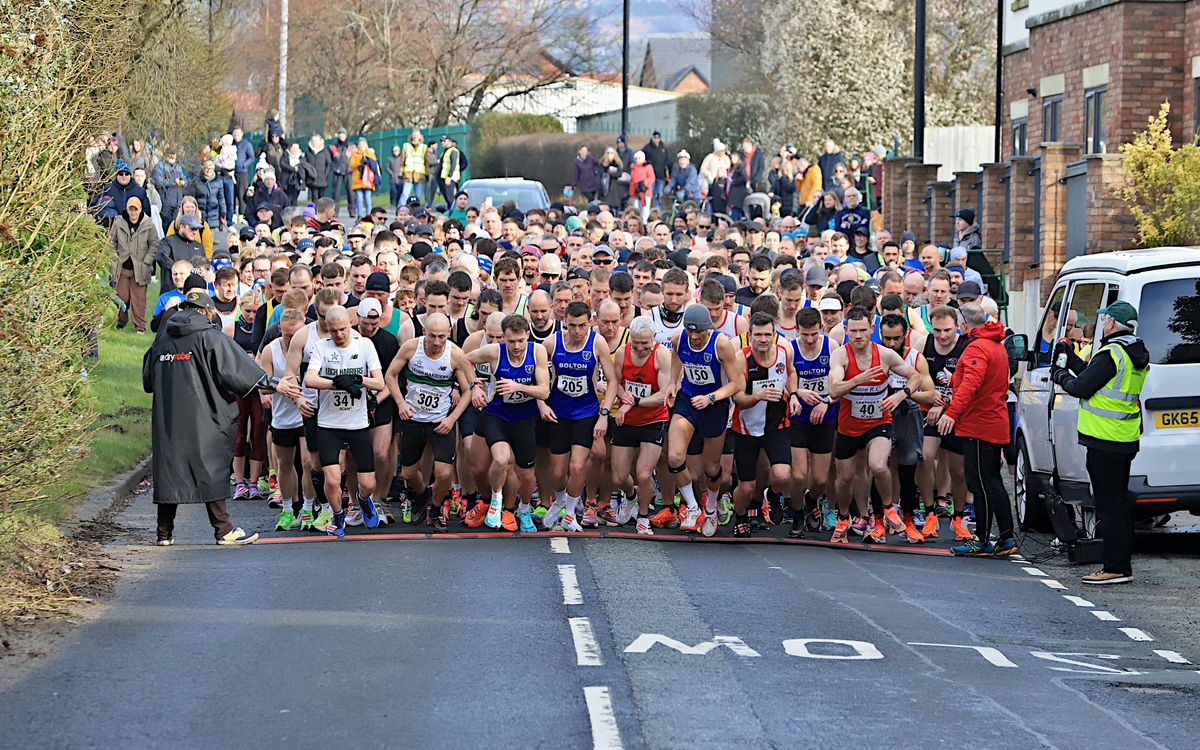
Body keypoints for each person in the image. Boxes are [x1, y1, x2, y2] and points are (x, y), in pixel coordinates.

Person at [142, 290, 300, 545]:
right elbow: (238, 371)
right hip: (206, 415)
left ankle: (164, 533)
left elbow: (148, 381)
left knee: (170, 471)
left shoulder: (161, 341)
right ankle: (224, 530)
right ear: (207, 312)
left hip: (168, 419)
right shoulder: (210, 338)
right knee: (210, 467)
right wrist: (272, 383)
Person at [1050, 301, 1149, 583]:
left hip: (1104, 440)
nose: (1102, 324)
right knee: (1117, 503)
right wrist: (1071, 360)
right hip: (1123, 438)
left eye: (1104, 319)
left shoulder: (1112, 353)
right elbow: (1097, 377)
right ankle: (1119, 564)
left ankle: (1115, 568)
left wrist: (1059, 374)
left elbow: (1082, 387)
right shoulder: (1132, 350)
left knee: (1110, 506)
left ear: (1110, 324)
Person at [827, 307, 922, 544]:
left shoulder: (885, 355)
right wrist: (859, 379)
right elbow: (834, 390)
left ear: (872, 329)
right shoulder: (841, 355)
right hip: (849, 427)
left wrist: (902, 395)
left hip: (879, 422)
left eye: (863, 331)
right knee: (844, 478)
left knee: (878, 466)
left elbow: (916, 376)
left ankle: (889, 509)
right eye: (853, 331)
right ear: (846, 331)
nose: (858, 336)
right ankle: (843, 516)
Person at [936, 303, 1019, 557]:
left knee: (981, 482)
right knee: (990, 481)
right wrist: (953, 379)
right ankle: (1002, 538)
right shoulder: (993, 344)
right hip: (989, 420)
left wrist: (951, 412)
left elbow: (971, 385)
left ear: (963, 324)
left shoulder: (978, 347)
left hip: (980, 424)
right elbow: (982, 382)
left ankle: (988, 539)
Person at [304, 305, 386, 538]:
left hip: (357, 424)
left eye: (342, 329)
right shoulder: (322, 347)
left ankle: (363, 499)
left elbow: (379, 383)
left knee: (368, 483)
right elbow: (310, 379)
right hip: (329, 424)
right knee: (331, 480)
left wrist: (358, 379)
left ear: (350, 323)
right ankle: (338, 515)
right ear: (327, 328)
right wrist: (335, 383)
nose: (339, 335)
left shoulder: (364, 345)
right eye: (333, 330)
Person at [386, 312, 474, 531]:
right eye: (432, 336)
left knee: (444, 474)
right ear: (424, 331)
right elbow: (390, 375)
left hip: (440, 421)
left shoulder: (455, 354)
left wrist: (452, 418)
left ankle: (435, 508)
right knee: (408, 474)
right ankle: (423, 494)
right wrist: (401, 403)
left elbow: (467, 392)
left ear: (449, 334)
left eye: (442, 337)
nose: (436, 342)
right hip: (413, 419)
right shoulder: (410, 347)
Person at [665, 304, 745, 533]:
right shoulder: (679, 338)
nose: (694, 337)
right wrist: (672, 382)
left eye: (698, 332)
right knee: (674, 457)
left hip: (714, 405)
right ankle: (692, 507)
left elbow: (737, 384)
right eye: (690, 331)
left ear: (708, 329)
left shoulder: (721, 344)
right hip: (688, 400)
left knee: (711, 468)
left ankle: (711, 506)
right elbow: (676, 357)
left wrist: (711, 397)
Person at [467, 314, 551, 530]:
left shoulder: (537, 351)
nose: (516, 346)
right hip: (497, 415)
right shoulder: (494, 352)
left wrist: (518, 387)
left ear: (527, 336)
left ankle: (523, 510)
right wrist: (473, 385)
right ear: (503, 338)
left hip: (524, 419)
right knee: (502, 460)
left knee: (526, 474)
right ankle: (496, 501)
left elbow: (544, 391)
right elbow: (464, 359)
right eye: (511, 341)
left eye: (521, 341)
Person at [729, 313, 797, 538]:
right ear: (750, 336)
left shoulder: (784, 352)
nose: (763, 339)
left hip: (776, 424)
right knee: (746, 486)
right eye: (758, 335)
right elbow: (738, 398)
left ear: (774, 335)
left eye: (768, 334)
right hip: (746, 427)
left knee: (782, 475)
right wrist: (758, 396)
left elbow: (791, 372)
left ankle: (773, 494)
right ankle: (740, 516)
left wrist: (794, 394)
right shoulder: (741, 358)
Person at [110, 195, 156, 333]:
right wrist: (114, 258)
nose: (133, 213)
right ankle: (121, 321)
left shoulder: (148, 224)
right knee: (121, 296)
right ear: (127, 210)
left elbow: (154, 244)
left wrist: (147, 261)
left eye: (136, 210)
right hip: (122, 267)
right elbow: (111, 242)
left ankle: (140, 326)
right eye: (131, 210)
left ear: (140, 209)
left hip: (140, 268)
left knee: (139, 299)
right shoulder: (119, 223)